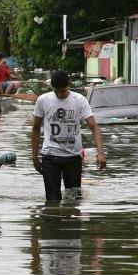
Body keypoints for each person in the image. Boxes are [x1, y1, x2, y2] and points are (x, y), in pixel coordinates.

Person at [31, 70, 106, 201]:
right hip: (50, 156)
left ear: (69, 85)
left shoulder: (79, 100)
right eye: (56, 91)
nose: (59, 94)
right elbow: (36, 128)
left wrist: (101, 153)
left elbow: (94, 127)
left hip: (73, 157)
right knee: (52, 200)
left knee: (74, 199)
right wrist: (34, 156)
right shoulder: (43, 100)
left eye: (63, 91)